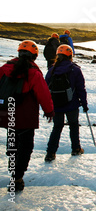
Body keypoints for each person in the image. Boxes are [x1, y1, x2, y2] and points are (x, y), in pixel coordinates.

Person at [0, 40, 55, 192]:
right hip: (25, 118)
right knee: (25, 147)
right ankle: (17, 178)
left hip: (7, 114)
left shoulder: (5, 68)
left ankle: (13, 172)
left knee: (12, 143)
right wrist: (49, 111)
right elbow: (43, 94)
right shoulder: (34, 73)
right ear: (35, 56)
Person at [45, 44, 88, 162]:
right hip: (71, 104)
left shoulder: (52, 70)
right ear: (70, 56)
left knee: (57, 127)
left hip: (56, 105)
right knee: (74, 125)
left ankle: (50, 153)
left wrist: (47, 107)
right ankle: (76, 149)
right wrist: (84, 104)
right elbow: (80, 88)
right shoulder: (75, 69)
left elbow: (45, 88)